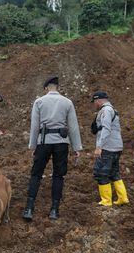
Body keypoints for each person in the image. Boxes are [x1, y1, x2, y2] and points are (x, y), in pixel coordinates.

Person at [23, 76, 82, 221]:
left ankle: (29, 208)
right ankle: (54, 210)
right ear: (58, 87)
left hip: (43, 142)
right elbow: (73, 126)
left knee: (36, 174)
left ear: (45, 88)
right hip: (62, 143)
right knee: (58, 175)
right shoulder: (67, 102)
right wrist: (77, 147)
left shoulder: (39, 102)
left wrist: (32, 146)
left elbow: (35, 126)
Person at [91, 91, 128, 207]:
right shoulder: (113, 110)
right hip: (117, 146)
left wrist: (99, 146)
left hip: (108, 147)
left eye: (94, 102)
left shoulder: (106, 110)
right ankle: (123, 198)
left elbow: (106, 128)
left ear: (98, 100)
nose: (94, 105)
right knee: (114, 172)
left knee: (100, 173)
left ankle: (106, 201)